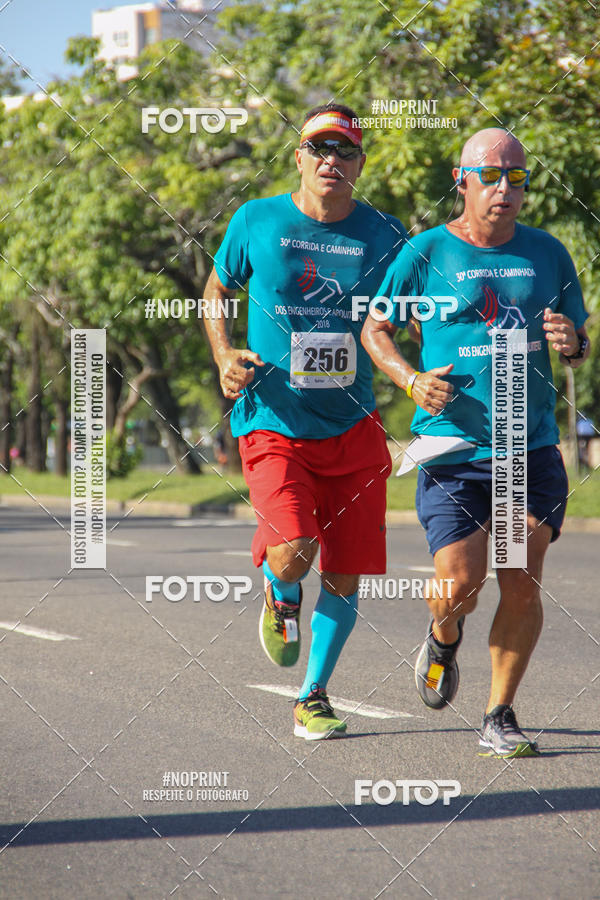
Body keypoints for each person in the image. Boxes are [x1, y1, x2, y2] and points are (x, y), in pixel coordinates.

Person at [362, 127, 590, 758]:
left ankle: (500, 712)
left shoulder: (548, 253)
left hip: (527, 448)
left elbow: (578, 341)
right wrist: (409, 379)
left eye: (517, 177)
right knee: (460, 582)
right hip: (453, 450)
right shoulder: (426, 250)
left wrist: (573, 341)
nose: (506, 190)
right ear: (462, 181)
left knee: (519, 579)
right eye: (492, 177)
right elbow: (374, 329)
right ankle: (443, 633)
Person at [203, 103, 407, 739]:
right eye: (319, 148)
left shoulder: (386, 235)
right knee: (295, 551)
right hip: (272, 417)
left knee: (345, 573)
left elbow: (416, 313)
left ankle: (313, 694)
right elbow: (216, 291)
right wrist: (224, 356)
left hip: (354, 425)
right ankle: (280, 589)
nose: (331, 161)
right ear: (298, 156)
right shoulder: (256, 219)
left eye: (345, 151)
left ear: (360, 163)